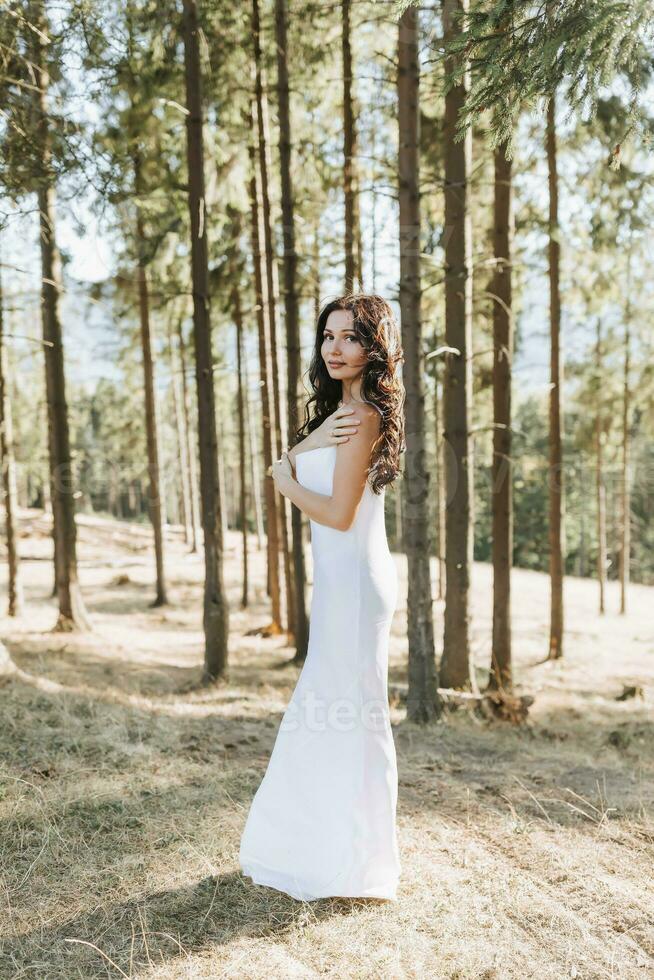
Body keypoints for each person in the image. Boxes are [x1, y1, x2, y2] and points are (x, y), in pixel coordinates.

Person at [239, 293, 406, 901]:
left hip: (357, 585)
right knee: (332, 710)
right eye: (328, 336)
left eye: (350, 338)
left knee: (350, 714)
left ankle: (359, 863)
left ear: (373, 348)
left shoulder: (363, 417)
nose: (334, 348)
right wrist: (293, 459)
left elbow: (337, 514)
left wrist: (284, 480)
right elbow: (288, 468)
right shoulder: (341, 413)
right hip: (338, 583)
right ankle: (328, 848)